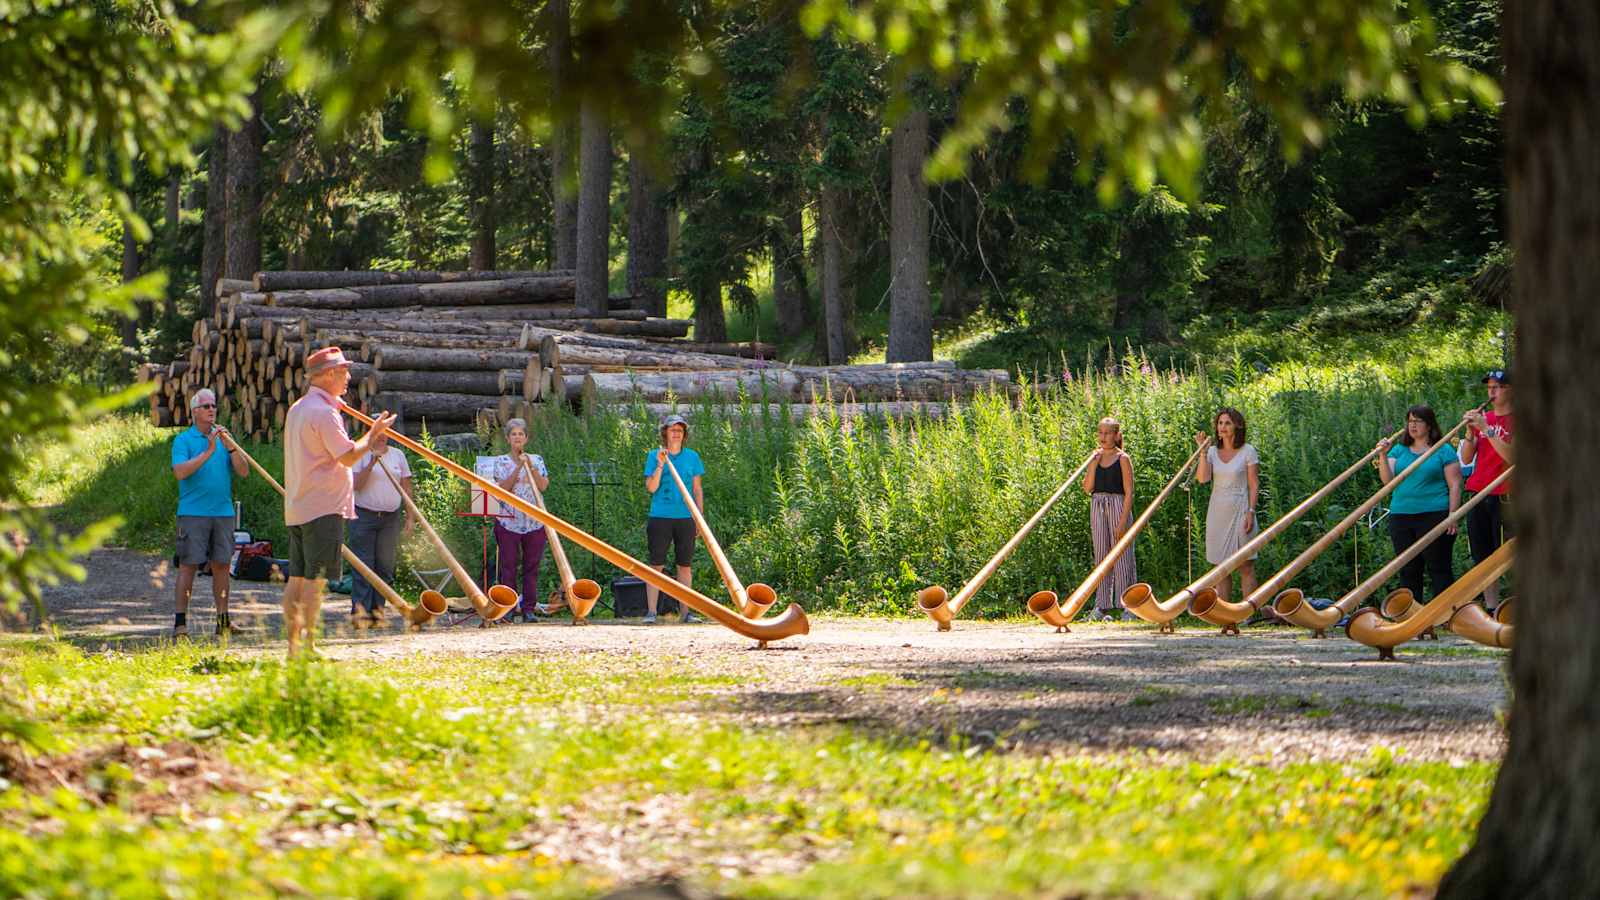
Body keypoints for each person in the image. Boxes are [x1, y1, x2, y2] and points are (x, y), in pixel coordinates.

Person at [282, 346, 395, 657]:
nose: (348, 377)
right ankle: (307, 647)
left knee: (298, 577)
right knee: (315, 580)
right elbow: (347, 456)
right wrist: (372, 436)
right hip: (322, 507)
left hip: (300, 505)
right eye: (344, 371)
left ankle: (294, 647)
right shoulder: (323, 411)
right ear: (329, 374)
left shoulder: (299, 408)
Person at [169, 388, 248, 638]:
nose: (212, 409)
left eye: (214, 405)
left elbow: (244, 471)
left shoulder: (225, 438)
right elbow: (180, 472)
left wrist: (231, 448)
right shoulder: (184, 440)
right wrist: (208, 452)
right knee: (188, 566)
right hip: (193, 513)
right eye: (206, 406)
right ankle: (181, 623)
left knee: (222, 566)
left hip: (223, 513)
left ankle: (223, 620)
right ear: (194, 412)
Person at [1375, 405, 1462, 606]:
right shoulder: (1398, 449)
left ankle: (1444, 612)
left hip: (1435, 514)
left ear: (1429, 425)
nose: (1412, 425)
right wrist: (1382, 455)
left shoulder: (1443, 449)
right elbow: (1387, 481)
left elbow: (1456, 484)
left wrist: (1453, 515)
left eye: (1418, 421)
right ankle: (1412, 613)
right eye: (1410, 421)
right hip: (1401, 515)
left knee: (1438, 566)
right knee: (1408, 568)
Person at [347, 430, 416, 628]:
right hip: (363, 516)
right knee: (363, 567)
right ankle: (360, 616)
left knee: (385, 568)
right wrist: (372, 462)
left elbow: (407, 488)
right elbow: (357, 485)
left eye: (385, 434)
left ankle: (377, 614)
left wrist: (410, 518)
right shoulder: (360, 454)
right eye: (377, 433)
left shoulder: (398, 455)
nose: (381, 437)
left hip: (390, 519)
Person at [1194, 407, 1260, 607]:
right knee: (1221, 567)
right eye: (1220, 423)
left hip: (1241, 509)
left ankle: (1249, 611)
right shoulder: (1212, 452)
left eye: (1227, 423)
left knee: (1246, 564)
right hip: (1217, 511)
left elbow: (1254, 484)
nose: (1222, 427)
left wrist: (1251, 511)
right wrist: (1203, 453)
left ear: (1237, 426)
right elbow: (1203, 479)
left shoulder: (1248, 451)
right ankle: (1225, 612)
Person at [1459, 368, 1514, 610]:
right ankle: (1492, 608)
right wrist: (1471, 433)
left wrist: (1487, 429)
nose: (1492, 391)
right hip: (1479, 494)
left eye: (1498, 386)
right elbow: (1466, 457)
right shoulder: (1485, 419)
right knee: (1483, 557)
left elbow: (1513, 456)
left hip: (1507, 496)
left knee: (1509, 556)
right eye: (1489, 386)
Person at [641, 414, 703, 624]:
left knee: (684, 565)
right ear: (665, 432)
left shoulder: (693, 457)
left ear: (684, 434)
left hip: (686, 517)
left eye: (680, 430)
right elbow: (651, 488)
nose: (676, 433)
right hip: (660, 517)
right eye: (672, 429)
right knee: (656, 565)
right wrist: (660, 464)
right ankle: (651, 613)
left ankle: (686, 613)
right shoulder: (654, 455)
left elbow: (697, 489)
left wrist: (699, 518)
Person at [491, 417, 551, 623]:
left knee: (531, 566)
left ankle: (528, 609)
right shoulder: (500, 461)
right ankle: (508, 608)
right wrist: (518, 468)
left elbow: (543, 486)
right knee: (508, 566)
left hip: (534, 521)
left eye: (521, 434)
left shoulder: (537, 459)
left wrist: (531, 467)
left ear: (526, 438)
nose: (517, 437)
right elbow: (503, 489)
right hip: (509, 521)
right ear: (508, 439)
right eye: (513, 434)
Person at [1081, 417, 1136, 621]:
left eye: (1107, 433)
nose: (1103, 437)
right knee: (1101, 555)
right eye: (1100, 433)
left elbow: (1129, 492)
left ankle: (1127, 606)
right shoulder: (1094, 458)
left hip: (1117, 506)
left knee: (1122, 558)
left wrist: (1123, 522)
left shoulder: (1123, 458)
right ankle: (1101, 605)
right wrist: (1093, 464)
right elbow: (1087, 488)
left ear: (1115, 435)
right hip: (1097, 505)